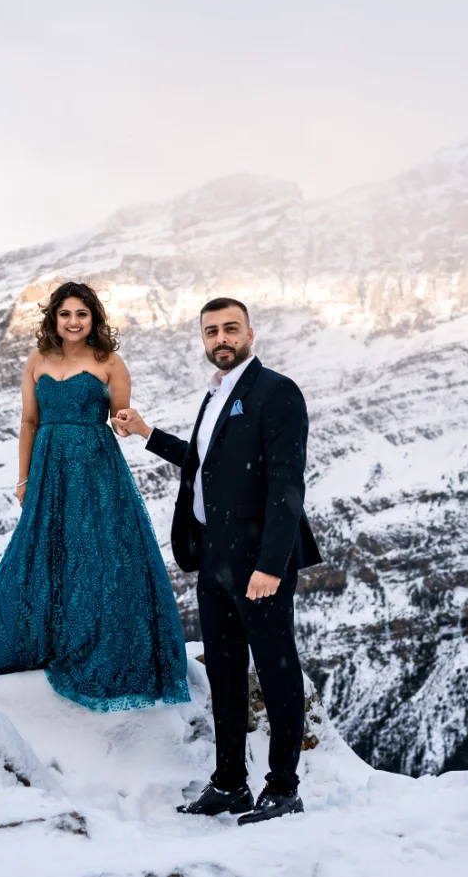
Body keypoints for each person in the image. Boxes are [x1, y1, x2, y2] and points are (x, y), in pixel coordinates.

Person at [113, 297, 321, 825]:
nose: (221, 339)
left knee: (276, 672)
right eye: (211, 332)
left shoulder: (276, 392)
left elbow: (286, 484)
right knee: (224, 674)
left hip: (259, 562)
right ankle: (230, 783)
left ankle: (283, 788)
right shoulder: (215, 394)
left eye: (230, 329)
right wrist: (146, 434)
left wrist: (271, 565)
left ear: (251, 332)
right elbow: (205, 465)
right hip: (214, 559)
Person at [0, 282, 190, 712]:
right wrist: (24, 479)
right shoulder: (36, 361)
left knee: (100, 555)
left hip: (97, 468)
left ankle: (103, 645)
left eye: (82, 314)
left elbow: (120, 421)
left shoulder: (110, 362)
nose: (74, 322)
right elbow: (29, 421)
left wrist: (128, 422)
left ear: (94, 318)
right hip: (48, 469)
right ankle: (41, 640)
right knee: (44, 553)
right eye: (66, 314)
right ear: (54, 318)